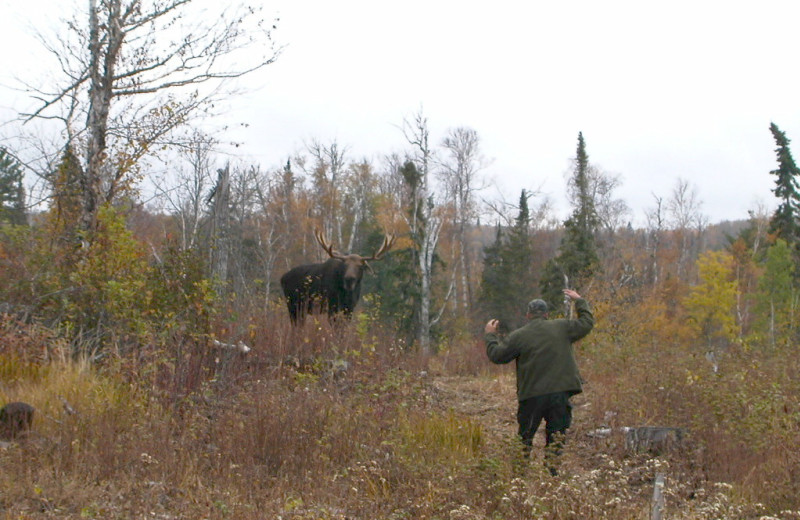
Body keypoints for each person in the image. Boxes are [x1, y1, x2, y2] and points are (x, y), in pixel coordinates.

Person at [484, 289, 594, 476]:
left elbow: (497, 356)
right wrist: (579, 301)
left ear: (528, 315)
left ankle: (519, 477)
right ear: (546, 314)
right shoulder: (562, 327)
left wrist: (490, 336)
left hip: (532, 396)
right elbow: (586, 323)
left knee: (525, 437)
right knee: (556, 437)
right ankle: (551, 476)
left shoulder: (519, 336)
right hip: (560, 393)